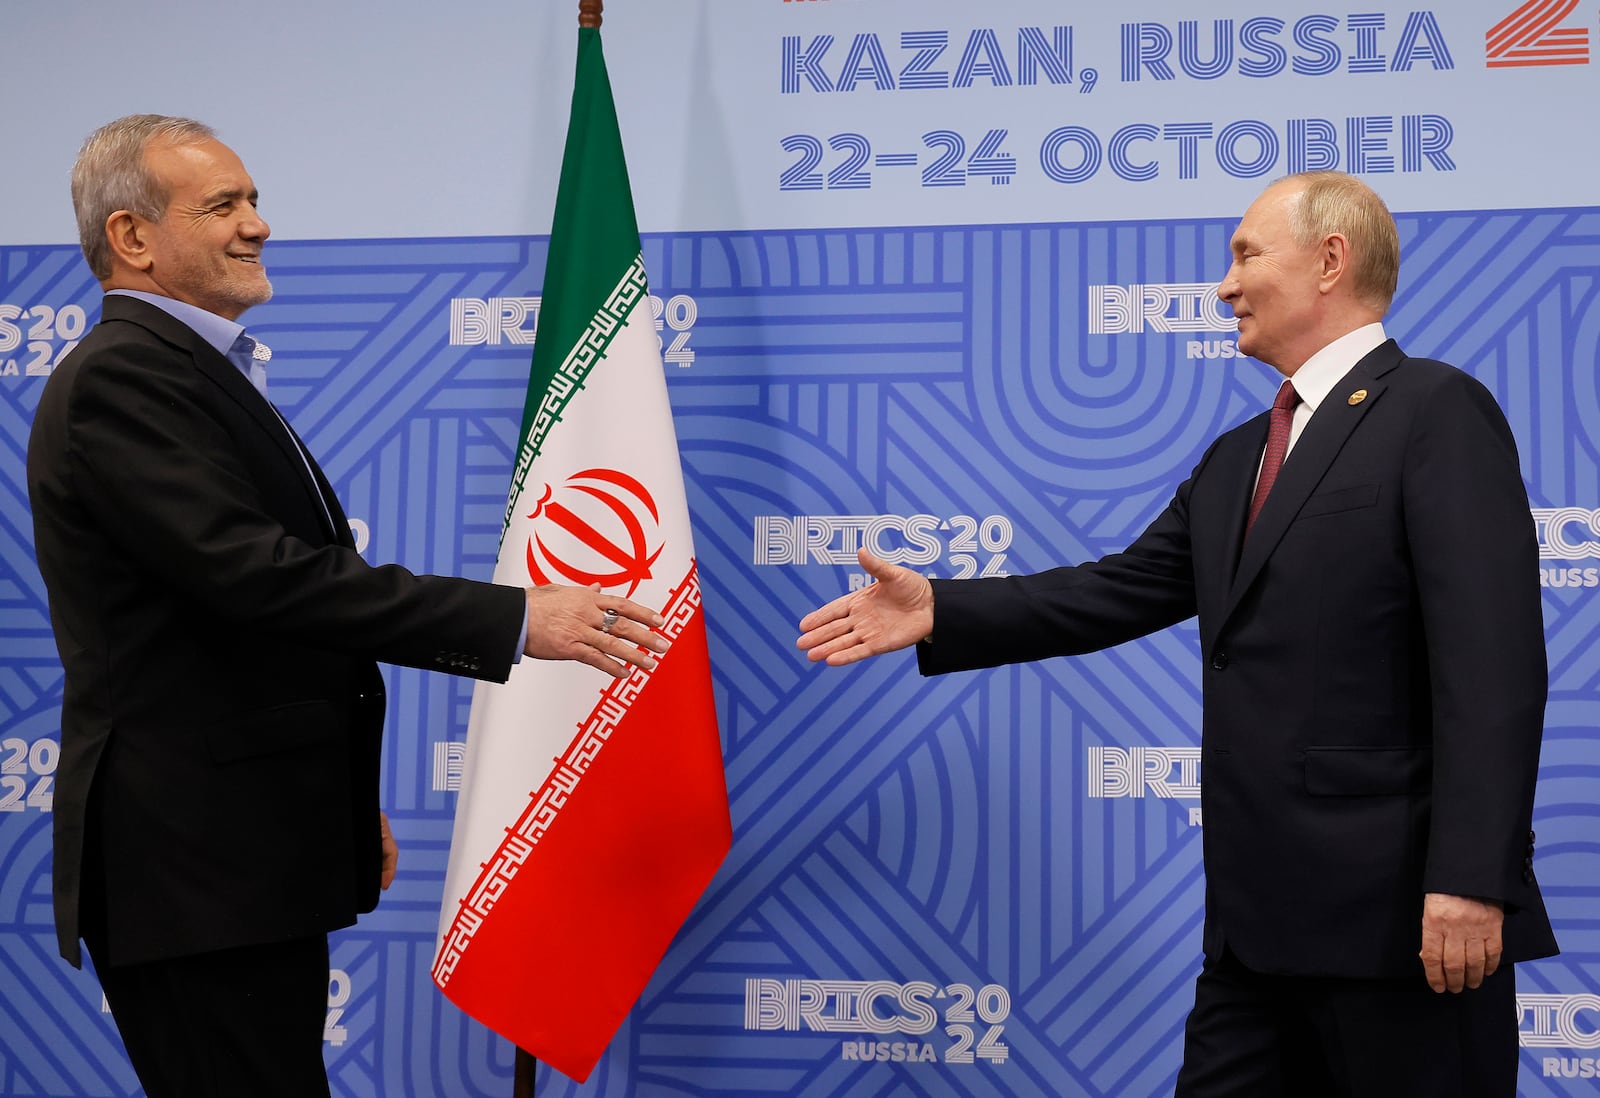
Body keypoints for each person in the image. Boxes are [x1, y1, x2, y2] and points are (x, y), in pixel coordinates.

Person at [797, 170, 1556, 1097]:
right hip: (1251, 935)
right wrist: (942, 611)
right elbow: (1120, 588)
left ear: (1329, 261)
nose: (1224, 285)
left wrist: (1475, 878)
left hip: (1401, 929)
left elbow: (1493, 666)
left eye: (1244, 254)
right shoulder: (1242, 453)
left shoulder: (1437, 411)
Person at [26, 114, 668, 1097]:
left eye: (254, 200)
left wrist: (329, 804)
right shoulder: (125, 377)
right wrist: (512, 620)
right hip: (194, 869)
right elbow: (261, 578)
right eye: (224, 206)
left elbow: (246, 630)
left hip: (241, 856)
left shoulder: (188, 371)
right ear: (132, 238)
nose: (260, 225)